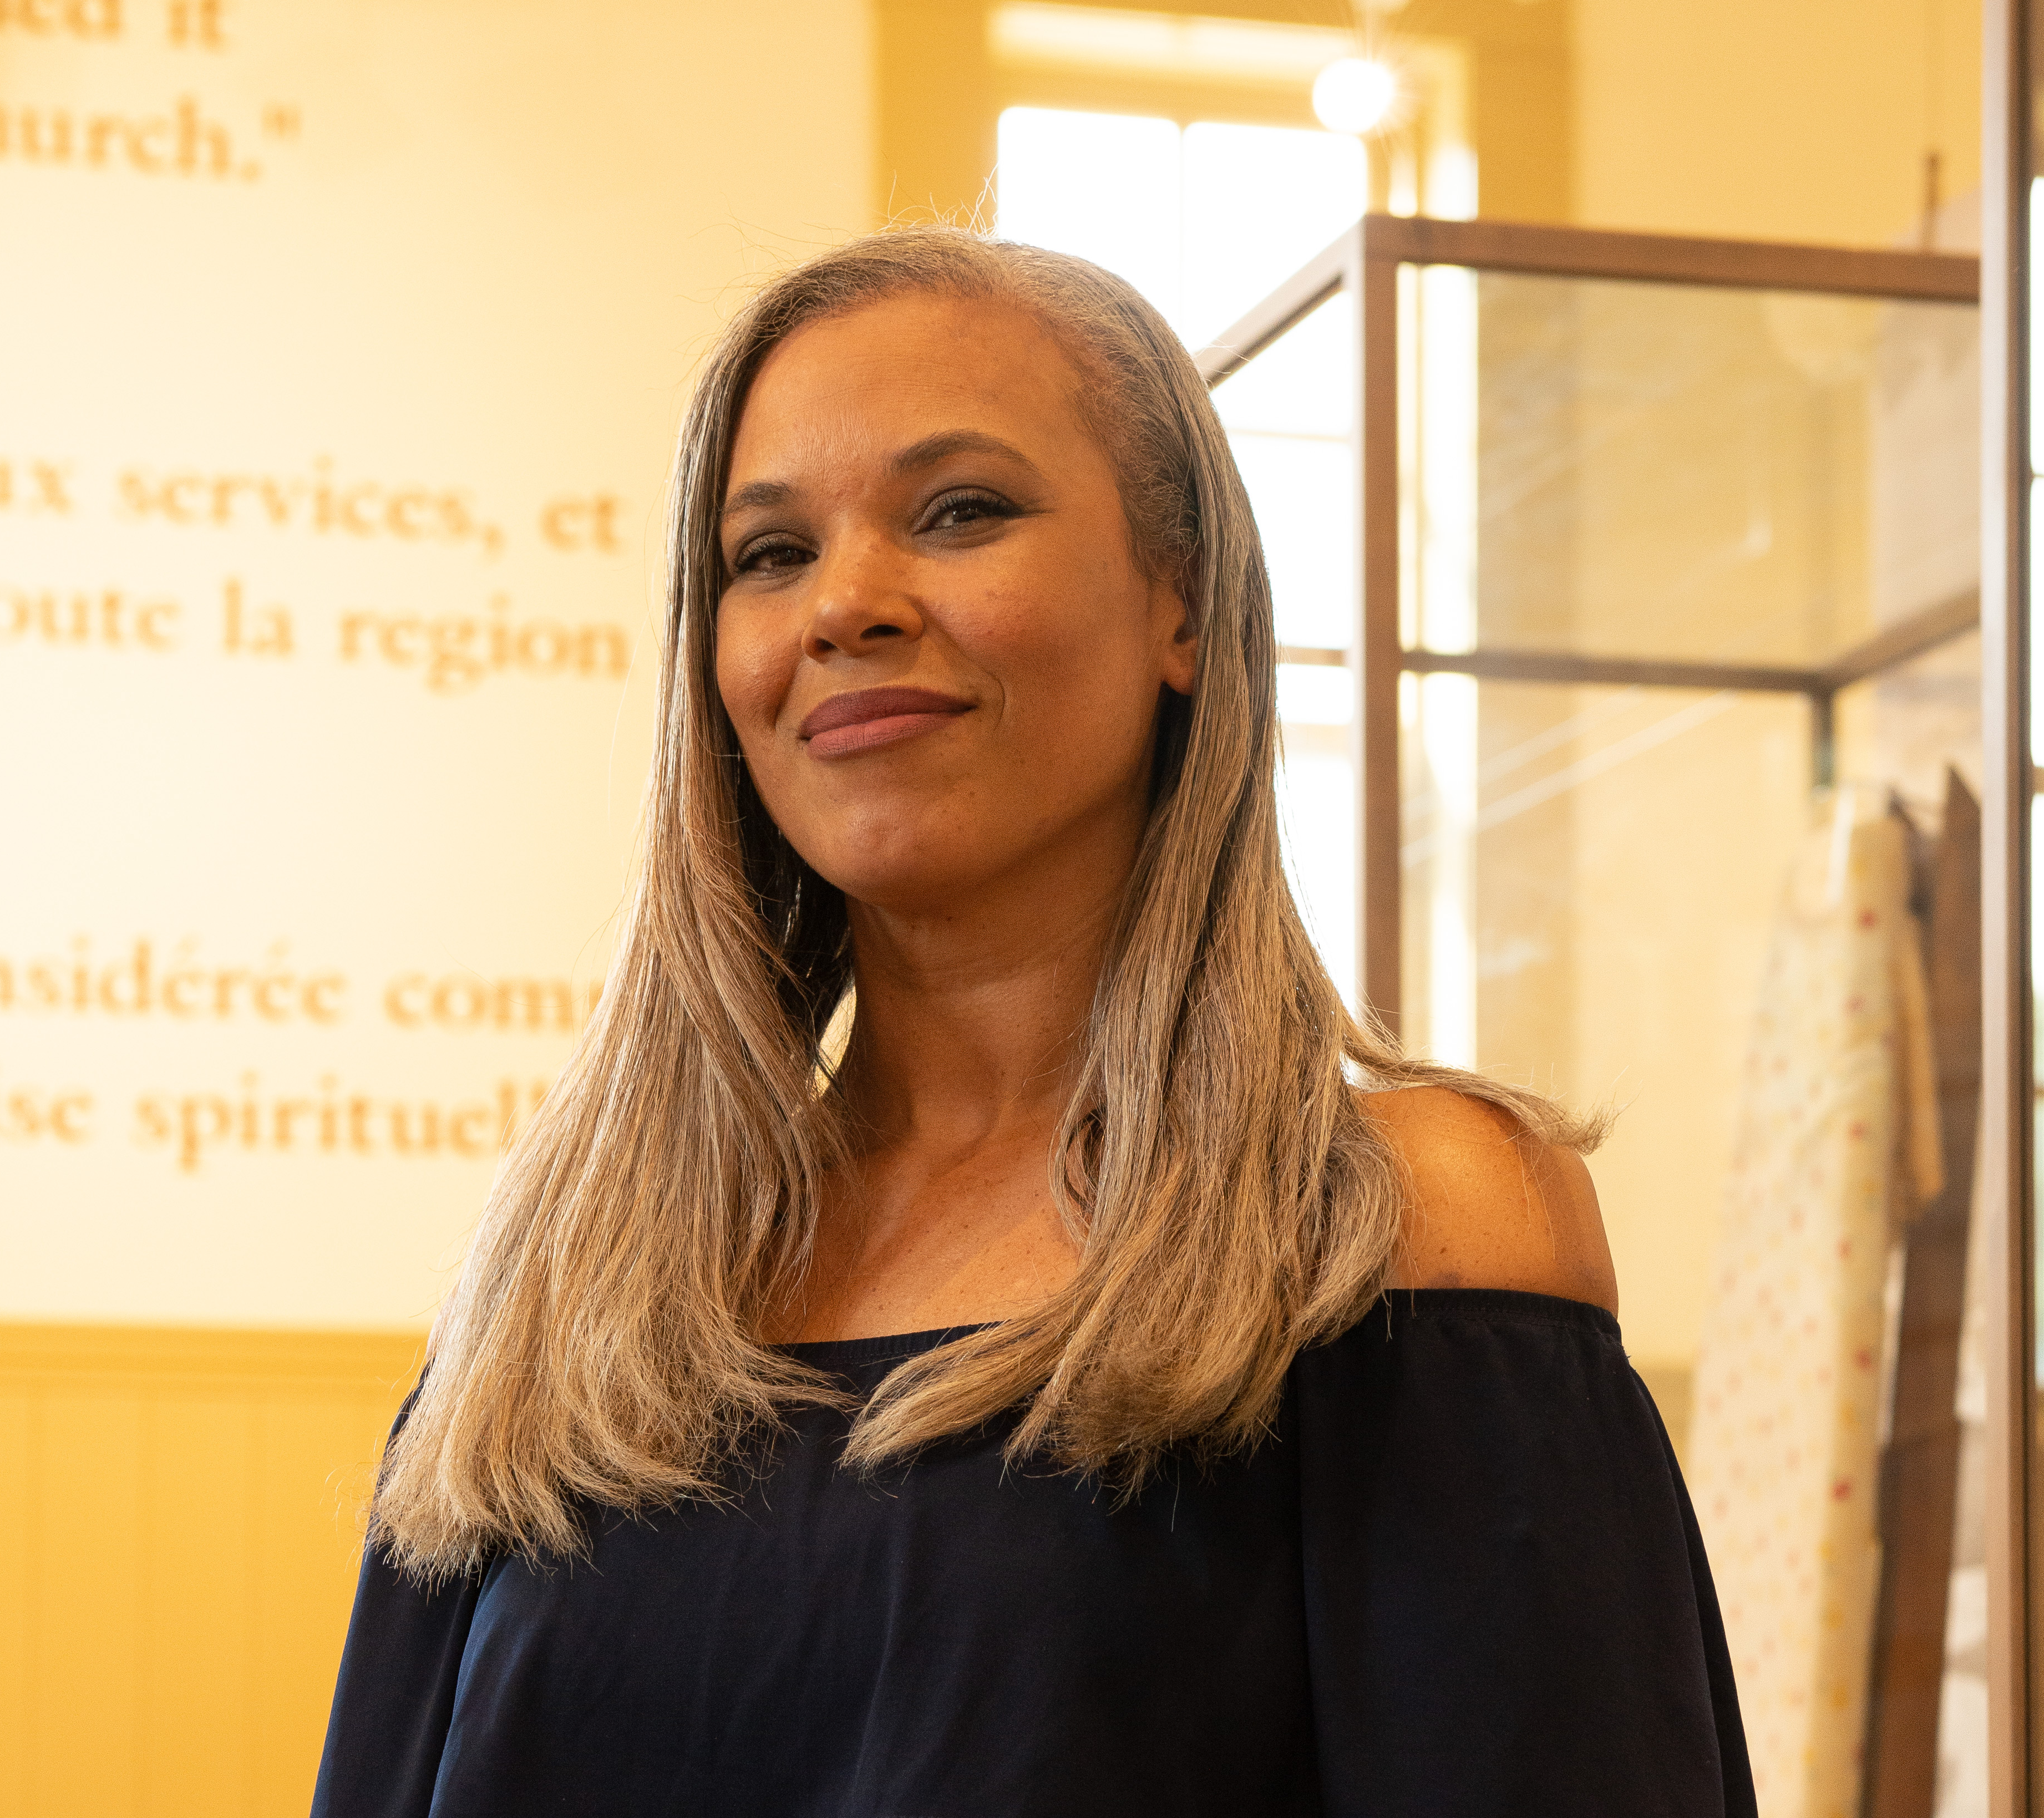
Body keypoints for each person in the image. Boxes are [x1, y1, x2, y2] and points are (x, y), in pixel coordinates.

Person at [310, 228, 1753, 1817]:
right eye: (769, 553)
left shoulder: (1399, 1228)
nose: (845, 604)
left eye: (961, 512)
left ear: (1181, 604)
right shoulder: (576, 1284)